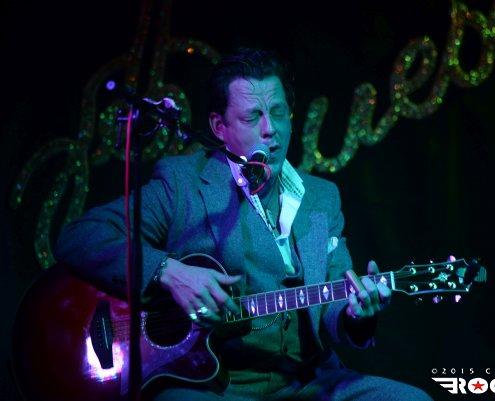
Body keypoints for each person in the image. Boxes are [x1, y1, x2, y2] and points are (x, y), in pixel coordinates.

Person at [55, 48, 432, 401]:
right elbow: (78, 237)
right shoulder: (182, 185)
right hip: (214, 385)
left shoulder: (321, 198)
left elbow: (335, 302)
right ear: (219, 127)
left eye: (279, 112)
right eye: (253, 117)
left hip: (311, 382)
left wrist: (355, 314)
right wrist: (167, 271)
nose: (271, 130)